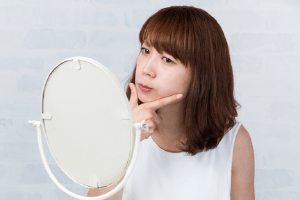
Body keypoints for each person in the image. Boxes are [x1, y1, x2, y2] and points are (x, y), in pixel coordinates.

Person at [87, 5, 255, 200]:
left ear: (202, 75)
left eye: (167, 59)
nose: (147, 69)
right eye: (145, 50)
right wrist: (125, 144)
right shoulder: (119, 130)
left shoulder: (234, 143)